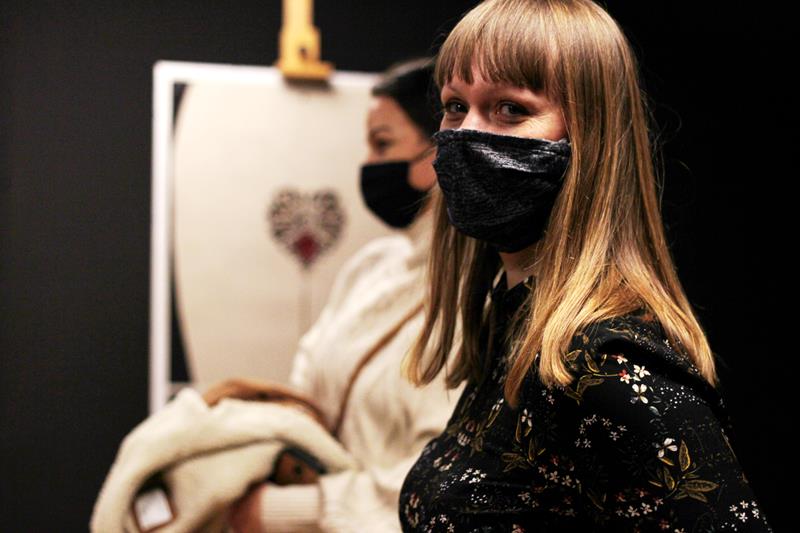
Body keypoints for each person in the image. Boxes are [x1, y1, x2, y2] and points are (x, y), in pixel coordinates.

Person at [398, 1, 773, 531]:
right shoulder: (513, 324)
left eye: (511, 109)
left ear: (589, 138)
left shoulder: (605, 363)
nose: (466, 133)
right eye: (455, 106)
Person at [226, 57, 465, 533]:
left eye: (383, 144)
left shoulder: (475, 296)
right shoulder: (372, 266)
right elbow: (308, 378)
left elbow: (436, 481)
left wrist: (289, 510)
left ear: (440, 151)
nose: (369, 164)